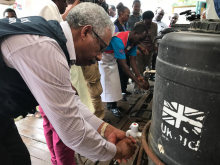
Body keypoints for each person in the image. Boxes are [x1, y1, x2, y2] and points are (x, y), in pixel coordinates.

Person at [0, 3, 137, 165]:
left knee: (20, 159)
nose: (100, 57)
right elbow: (74, 133)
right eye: (100, 47)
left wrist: (105, 129)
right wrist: (118, 151)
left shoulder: (54, 39)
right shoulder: (44, 48)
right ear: (85, 32)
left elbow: (69, 100)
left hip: (4, 117)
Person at [99, 24, 149, 118]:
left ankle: (111, 105)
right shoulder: (119, 40)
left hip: (112, 59)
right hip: (104, 59)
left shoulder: (133, 42)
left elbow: (133, 60)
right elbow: (123, 65)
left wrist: (139, 76)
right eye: (141, 39)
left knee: (114, 83)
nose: (141, 42)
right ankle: (112, 106)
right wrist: (137, 82)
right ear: (135, 33)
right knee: (108, 84)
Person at [134, 10, 157, 92]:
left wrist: (155, 46)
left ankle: (146, 85)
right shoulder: (138, 25)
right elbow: (135, 39)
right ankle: (138, 86)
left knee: (147, 68)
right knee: (139, 68)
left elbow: (155, 38)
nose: (150, 21)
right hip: (139, 51)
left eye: (151, 19)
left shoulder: (154, 25)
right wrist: (143, 48)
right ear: (144, 19)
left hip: (149, 51)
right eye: (148, 19)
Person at [114, 2, 131, 99]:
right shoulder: (115, 26)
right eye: (127, 15)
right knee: (120, 73)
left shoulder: (124, 25)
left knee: (125, 73)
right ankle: (119, 92)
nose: (128, 17)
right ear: (121, 13)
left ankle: (123, 89)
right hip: (118, 54)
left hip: (125, 52)